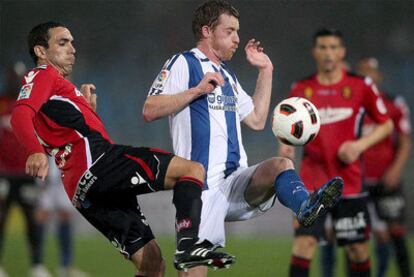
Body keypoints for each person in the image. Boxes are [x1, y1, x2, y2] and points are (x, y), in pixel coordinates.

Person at [11, 21, 235, 277]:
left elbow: (61, 131)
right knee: (192, 169)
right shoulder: (42, 74)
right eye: (62, 43)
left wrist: (86, 110)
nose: (72, 48)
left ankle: (185, 246)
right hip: (98, 164)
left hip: (81, 187)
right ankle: (188, 244)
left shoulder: (57, 88)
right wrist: (35, 151)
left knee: (152, 264)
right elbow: (20, 116)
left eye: (72, 42)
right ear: (40, 51)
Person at [144, 1, 343, 276]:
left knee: (281, 165)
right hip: (199, 189)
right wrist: (196, 91)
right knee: (193, 271)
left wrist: (266, 70)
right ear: (207, 31)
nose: (237, 38)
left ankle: (305, 206)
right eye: (230, 31)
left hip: (236, 182)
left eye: (237, 31)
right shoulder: (183, 63)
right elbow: (150, 109)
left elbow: (258, 120)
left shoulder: (227, 75)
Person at [279, 28, 394, 277]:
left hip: (350, 183)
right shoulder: (301, 88)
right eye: (322, 47)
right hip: (312, 184)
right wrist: (285, 149)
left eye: (333, 47)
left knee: (358, 251)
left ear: (341, 52)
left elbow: (387, 124)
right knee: (303, 245)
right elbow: (286, 131)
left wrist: (359, 146)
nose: (328, 53)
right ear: (314, 52)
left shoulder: (361, 85)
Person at [357, 57, 412, 277]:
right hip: (358, 180)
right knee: (354, 236)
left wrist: (396, 170)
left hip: (385, 180)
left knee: (396, 232)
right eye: (363, 73)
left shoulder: (393, 103)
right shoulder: (352, 106)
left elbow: (405, 140)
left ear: (379, 76)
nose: (368, 77)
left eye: (372, 73)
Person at [0, 62, 51, 277]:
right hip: (3, 173)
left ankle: (37, 265)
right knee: (0, 219)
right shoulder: (1, 104)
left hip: (27, 173)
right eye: (13, 78)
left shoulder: (32, 105)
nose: (16, 82)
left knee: (33, 219)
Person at [36, 157, 89, 277]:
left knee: (65, 216)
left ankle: (65, 266)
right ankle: (37, 264)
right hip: (46, 173)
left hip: (63, 171)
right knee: (41, 216)